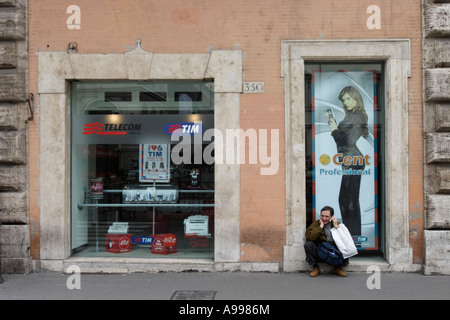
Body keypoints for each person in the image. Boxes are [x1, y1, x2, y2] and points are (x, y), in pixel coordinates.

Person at [323, 86, 369, 239]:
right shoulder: (351, 116)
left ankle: (353, 236)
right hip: (349, 160)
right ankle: (351, 236)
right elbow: (343, 138)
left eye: (348, 98)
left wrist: (333, 126)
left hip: (354, 161)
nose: (346, 102)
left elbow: (348, 141)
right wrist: (334, 124)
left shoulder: (360, 116)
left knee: (349, 201)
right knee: (347, 200)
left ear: (356, 98)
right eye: (344, 100)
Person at [304, 206, 347, 277]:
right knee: (308, 244)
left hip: (334, 249)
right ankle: (315, 268)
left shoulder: (336, 223)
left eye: (327, 216)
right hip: (322, 249)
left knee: (345, 245)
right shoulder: (316, 224)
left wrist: (337, 227)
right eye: (322, 216)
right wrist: (320, 227)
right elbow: (309, 237)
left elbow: (346, 238)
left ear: (331, 217)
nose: (324, 218)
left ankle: (338, 268)